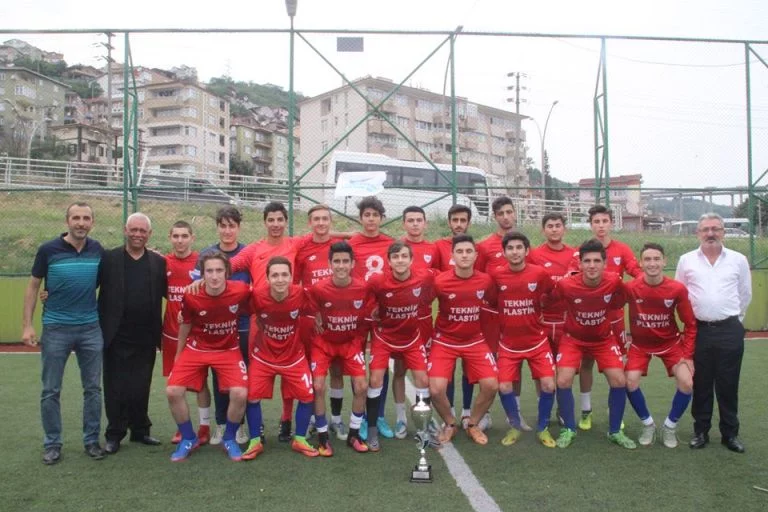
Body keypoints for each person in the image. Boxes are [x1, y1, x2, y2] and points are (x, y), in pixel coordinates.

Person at [22, 202, 106, 465]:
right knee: (50, 390)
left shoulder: (98, 250)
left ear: (92, 222)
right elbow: (33, 287)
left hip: (91, 328)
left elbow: (108, 279)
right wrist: (27, 325)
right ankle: (52, 444)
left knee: (93, 389)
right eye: (76, 218)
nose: (81, 223)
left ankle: (91, 441)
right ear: (67, 221)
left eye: (86, 218)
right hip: (56, 328)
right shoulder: (48, 250)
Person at [675, 213, 752, 453]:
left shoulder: (738, 260)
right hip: (699, 331)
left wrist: (734, 321)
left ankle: (730, 434)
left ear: (723, 232)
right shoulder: (686, 260)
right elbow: (680, 294)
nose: (711, 233)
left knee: (728, 384)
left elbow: (745, 293)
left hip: (730, 330)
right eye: (706, 229)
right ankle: (701, 432)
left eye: (716, 229)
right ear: (698, 233)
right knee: (701, 383)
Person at [166, 252, 251, 462]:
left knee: (240, 393)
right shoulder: (191, 295)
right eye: (209, 271)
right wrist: (178, 354)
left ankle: (229, 438)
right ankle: (188, 437)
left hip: (228, 349)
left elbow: (263, 299)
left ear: (227, 273)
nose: (214, 276)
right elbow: (185, 323)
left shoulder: (241, 290)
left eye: (219, 270)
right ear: (202, 274)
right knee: (173, 391)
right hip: (197, 348)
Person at [551, 239, 636, 450]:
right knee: (563, 380)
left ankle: (615, 431)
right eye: (587, 261)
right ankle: (569, 429)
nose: (591, 265)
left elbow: (622, 300)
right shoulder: (566, 284)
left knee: (619, 380)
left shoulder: (614, 281)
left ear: (605, 264)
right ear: (579, 264)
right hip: (573, 339)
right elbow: (552, 301)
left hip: (603, 339)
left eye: (597, 261)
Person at [99, 212, 167, 454]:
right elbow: (87, 286)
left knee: (141, 386)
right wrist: (50, 292)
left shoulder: (158, 262)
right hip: (115, 335)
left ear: (149, 234)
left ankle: (140, 430)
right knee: (115, 387)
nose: (138, 234)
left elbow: (173, 292)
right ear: (125, 230)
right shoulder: (108, 259)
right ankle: (114, 434)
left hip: (146, 336)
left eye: (142, 231)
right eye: (134, 230)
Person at [570, 205, 641, 431]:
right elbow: (572, 278)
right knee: (586, 364)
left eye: (604, 221)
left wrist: (626, 291)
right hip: (588, 318)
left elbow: (637, 274)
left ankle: (614, 412)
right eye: (596, 222)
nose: (601, 226)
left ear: (611, 223)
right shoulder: (581, 252)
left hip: (614, 319)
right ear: (591, 224)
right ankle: (586, 411)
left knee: (617, 367)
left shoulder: (622, 249)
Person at [241, 256, 319, 460]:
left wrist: (320, 316)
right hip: (263, 356)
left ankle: (299, 439)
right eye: (275, 275)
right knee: (251, 397)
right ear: (267, 278)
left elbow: (324, 300)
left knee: (308, 396)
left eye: (285, 274)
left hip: (293, 356)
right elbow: (232, 304)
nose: (280, 279)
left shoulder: (300, 293)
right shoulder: (256, 296)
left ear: (292, 277)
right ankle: (255, 441)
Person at [624, 243, 697, 448]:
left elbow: (690, 324)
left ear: (664, 261)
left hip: (670, 344)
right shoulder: (630, 288)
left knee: (687, 382)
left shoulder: (677, 288)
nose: (652, 263)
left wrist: (688, 355)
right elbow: (612, 311)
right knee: (629, 381)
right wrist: (619, 346)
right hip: (639, 346)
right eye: (647, 259)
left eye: (657, 259)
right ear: (640, 263)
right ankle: (648, 424)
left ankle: (669, 426)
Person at [429, 234, 498, 446]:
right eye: (459, 251)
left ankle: (473, 423)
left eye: (469, 251)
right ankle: (450, 423)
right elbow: (422, 304)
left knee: (491, 385)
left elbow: (494, 304)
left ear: (476, 255)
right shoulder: (440, 281)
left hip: (474, 340)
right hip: (444, 341)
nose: (464, 255)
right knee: (436, 389)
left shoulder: (485, 280)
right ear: (452, 256)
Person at [490, 232, 558, 448]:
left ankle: (543, 427)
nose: (515, 252)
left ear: (527, 251)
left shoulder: (539, 273)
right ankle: (514, 426)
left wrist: (541, 309)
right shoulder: (496, 275)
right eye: (510, 248)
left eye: (519, 247)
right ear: (504, 252)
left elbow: (551, 293)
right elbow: (491, 301)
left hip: (537, 341)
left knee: (548, 384)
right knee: (504, 386)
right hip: (508, 344)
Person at [364, 242, 434, 452]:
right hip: (384, 337)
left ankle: (423, 427)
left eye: (404, 256)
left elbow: (432, 293)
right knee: (375, 379)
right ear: (389, 261)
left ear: (411, 260)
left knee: (423, 379)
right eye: (395, 257)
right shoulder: (378, 281)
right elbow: (365, 298)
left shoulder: (424, 277)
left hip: (411, 338)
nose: (400, 260)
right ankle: (373, 429)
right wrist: (374, 309)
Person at [305, 241, 373, 455]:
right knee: (318, 386)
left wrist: (359, 339)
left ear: (352, 264)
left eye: (345, 261)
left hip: (350, 344)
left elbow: (367, 316)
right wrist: (315, 318)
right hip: (323, 344)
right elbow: (310, 311)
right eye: (337, 261)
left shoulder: (363, 288)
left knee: (361, 386)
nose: (341, 266)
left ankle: (354, 434)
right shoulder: (318, 289)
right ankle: (323, 437)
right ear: (329, 264)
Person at [196, 207, 251, 446]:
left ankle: (239, 425)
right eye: (223, 226)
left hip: (243, 325)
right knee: (219, 378)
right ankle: (220, 424)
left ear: (238, 227)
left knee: (242, 377)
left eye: (232, 226)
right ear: (217, 227)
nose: (227, 231)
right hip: (215, 327)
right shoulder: (207, 254)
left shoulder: (248, 254)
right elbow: (198, 287)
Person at [293, 205, 348, 442]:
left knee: (336, 371)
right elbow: (296, 286)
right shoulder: (302, 250)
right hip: (311, 322)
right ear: (310, 223)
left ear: (330, 221)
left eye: (325, 218)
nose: (321, 223)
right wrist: (311, 313)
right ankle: (313, 419)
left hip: (337, 321)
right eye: (316, 219)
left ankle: (336, 419)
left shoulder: (339, 247)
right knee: (312, 374)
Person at [476, 196, 530, 431]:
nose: (506, 217)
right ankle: (485, 413)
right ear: (495, 216)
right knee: (487, 364)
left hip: (516, 314)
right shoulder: (485, 246)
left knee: (516, 364)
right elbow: (477, 278)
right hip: (490, 315)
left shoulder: (522, 244)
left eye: (509, 212)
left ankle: (514, 415)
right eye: (501, 213)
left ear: (515, 213)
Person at [347, 196, 395, 439]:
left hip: (380, 313)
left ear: (382, 218)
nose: (371, 219)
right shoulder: (351, 243)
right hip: (356, 313)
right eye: (367, 215)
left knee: (379, 366)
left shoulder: (391, 244)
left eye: (375, 215)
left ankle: (378, 416)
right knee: (356, 365)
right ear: (360, 218)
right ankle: (361, 416)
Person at [162, 221, 211, 445]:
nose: (180, 240)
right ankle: (183, 428)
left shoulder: (202, 262)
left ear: (192, 238)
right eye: (176, 236)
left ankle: (204, 427)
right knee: (176, 384)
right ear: (170, 238)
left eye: (184, 236)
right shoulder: (163, 262)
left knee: (200, 384)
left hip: (197, 335)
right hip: (171, 334)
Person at [392, 206, 439, 439]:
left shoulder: (433, 248)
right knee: (400, 370)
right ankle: (400, 417)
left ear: (425, 223)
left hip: (423, 319)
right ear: (404, 223)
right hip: (401, 320)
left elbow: (440, 278)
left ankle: (425, 417)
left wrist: (429, 299)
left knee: (424, 373)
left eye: (419, 220)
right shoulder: (397, 247)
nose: (414, 224)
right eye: (410, 220)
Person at [433, 204, 480, 428]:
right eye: (455, 220)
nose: (459, 224)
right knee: (448, 370)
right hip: (448, 320)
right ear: (449, 222)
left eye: (463, 220)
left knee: (470, 369)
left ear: (469, 222)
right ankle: (449, 410)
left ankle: (467, 411)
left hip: (471, 319)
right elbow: (432, 275)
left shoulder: (474, 247)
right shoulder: (439, 246)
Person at [527, 213, 578, 357]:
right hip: (543, 319)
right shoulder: (534, 255)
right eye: (550, 226)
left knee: (567, 367)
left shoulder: (575, 254)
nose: (554, 229)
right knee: (544, 366)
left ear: (564, 229)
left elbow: (578, 283)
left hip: (567, 320)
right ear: (543, 230)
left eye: (557, 226)